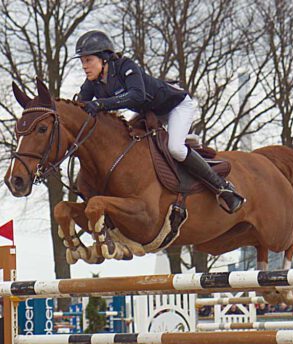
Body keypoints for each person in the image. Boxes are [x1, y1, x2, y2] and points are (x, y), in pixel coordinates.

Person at [73, 30, 245, 213]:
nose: (84, 66)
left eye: (88, 60)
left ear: (104, 58)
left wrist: (100, 104)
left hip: (176, 106)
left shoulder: (125, 66)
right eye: (82, 61)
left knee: (175, 149)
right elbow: (80, 108)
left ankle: (223, 188)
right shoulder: (93, 82)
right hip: (152, 113)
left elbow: (136, 96)